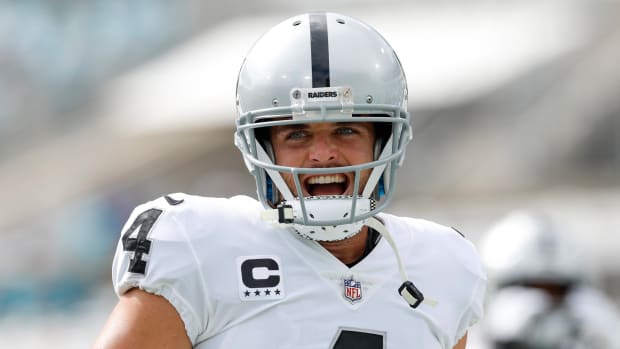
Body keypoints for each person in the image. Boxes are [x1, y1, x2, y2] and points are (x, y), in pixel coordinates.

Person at [93, 12, 486, 348]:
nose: (323, 153)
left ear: (383, 143)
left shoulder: (443, 264)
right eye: (297, 134)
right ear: (263, 150)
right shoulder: (197, 247)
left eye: (346, 131)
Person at [477, 210, 620, 349]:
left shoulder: (592, 326)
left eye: (559, 291)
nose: (546, 300)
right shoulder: (481, 334)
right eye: (530, 287)